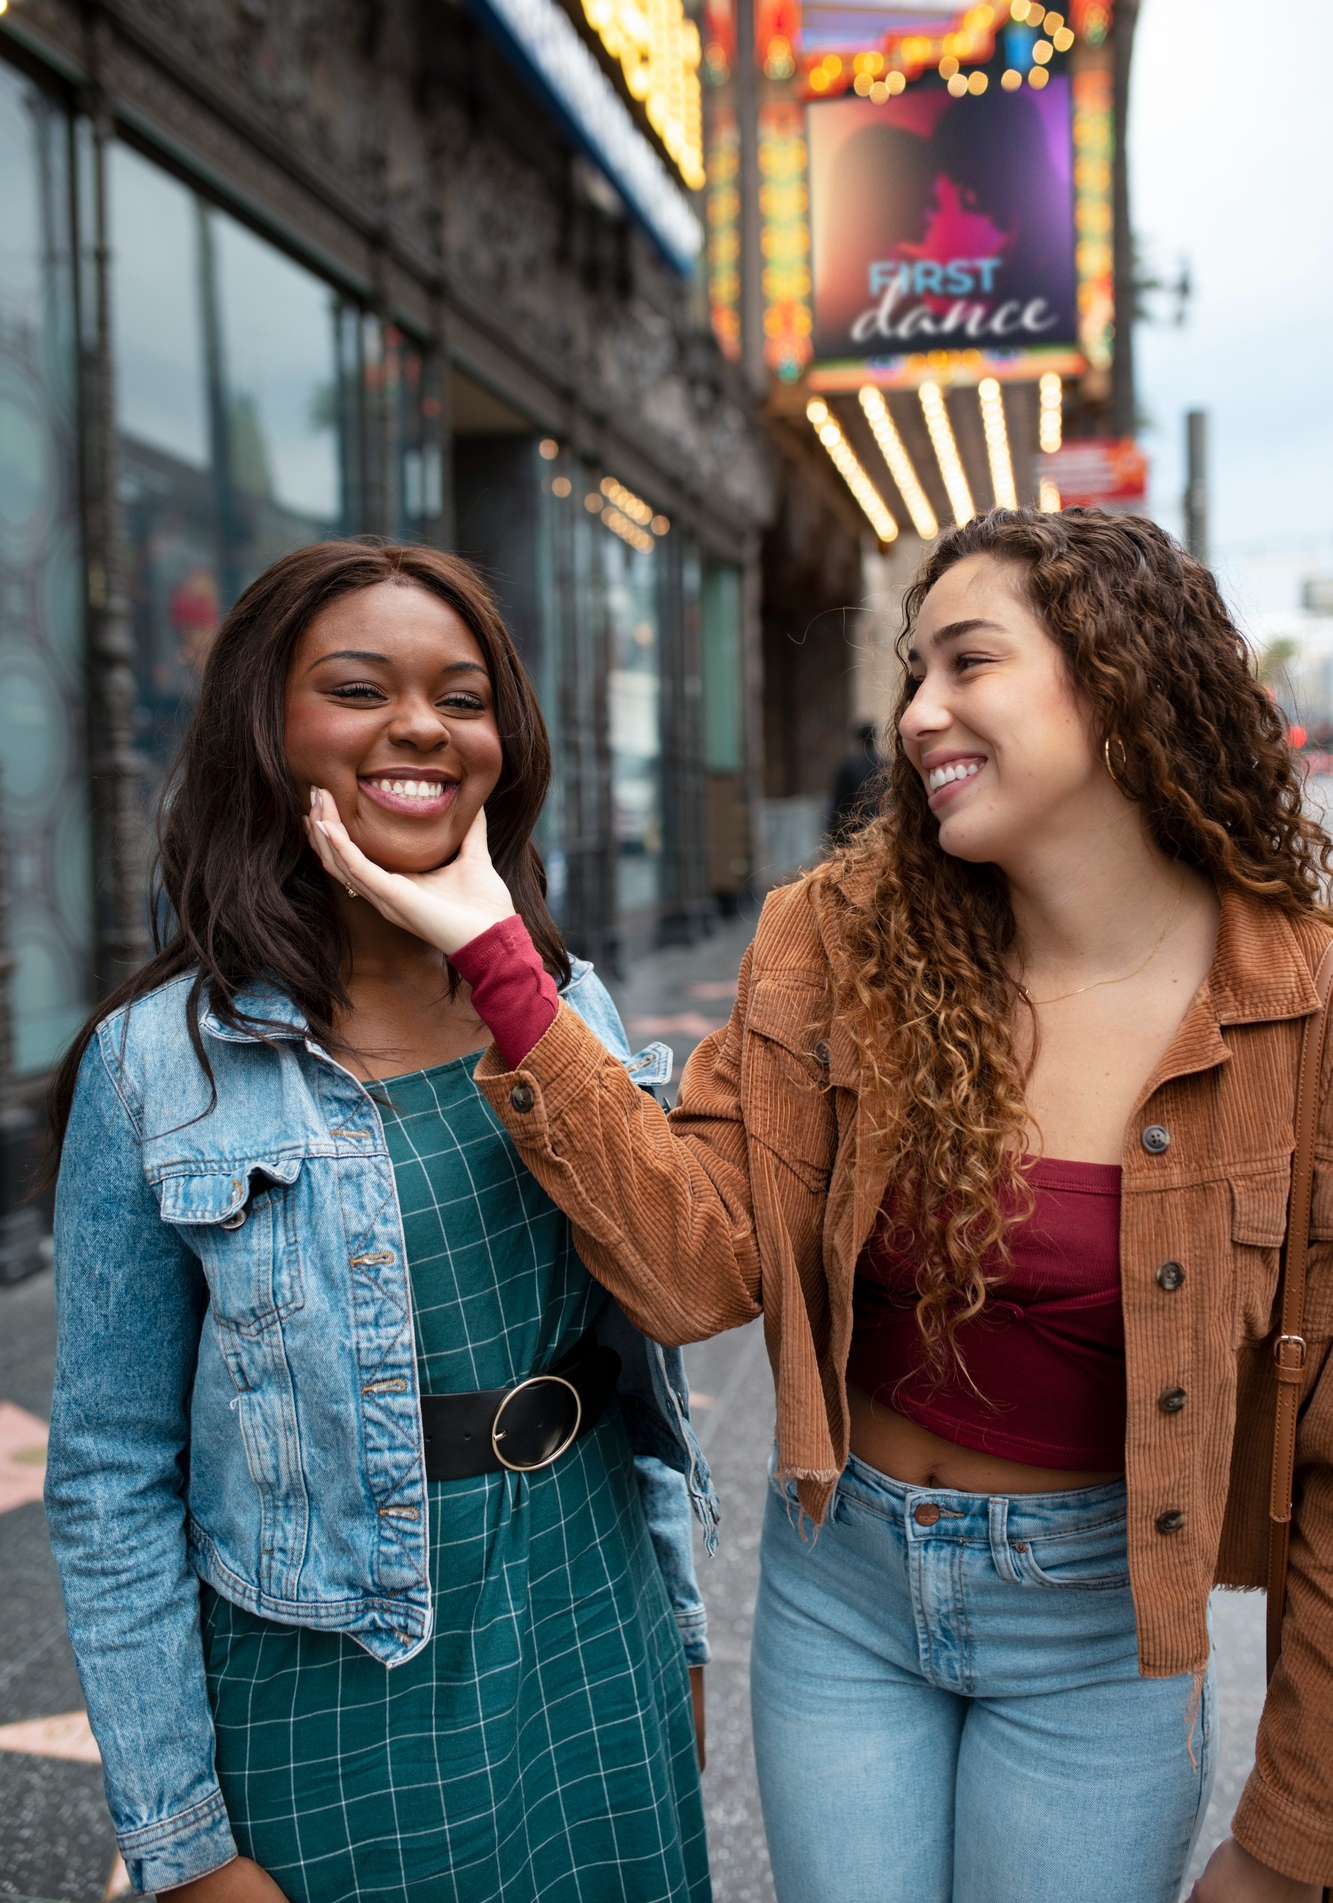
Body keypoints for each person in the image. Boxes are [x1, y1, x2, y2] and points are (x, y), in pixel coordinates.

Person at [306, 508, 1333, 1903]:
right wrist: (501, 964)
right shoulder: (836, 939)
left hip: (1099, 1628)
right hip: (839, 1584)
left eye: (967, 664)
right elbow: (688, 1277)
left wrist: (1287, 1843)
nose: (917, 715)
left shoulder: (1297, 1011)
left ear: (1120, 678)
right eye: (910, 673)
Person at [44, 542, 714, 1903]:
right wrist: (183, 1848)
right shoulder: (154, 1067)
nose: (419, 725)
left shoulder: (555, 1000)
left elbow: (648, 1353)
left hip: (589, 1618)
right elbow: (111, 1476)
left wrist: (680, 1637)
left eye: (461, 698)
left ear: (503, 744)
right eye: (358, 688)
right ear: (268, 730)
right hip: (333, 1680)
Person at [827, 721, 883, 841]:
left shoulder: (849, 766)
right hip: (882, 830)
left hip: (854, 833)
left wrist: (833, 834)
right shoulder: (885, 765)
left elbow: (839, 803)